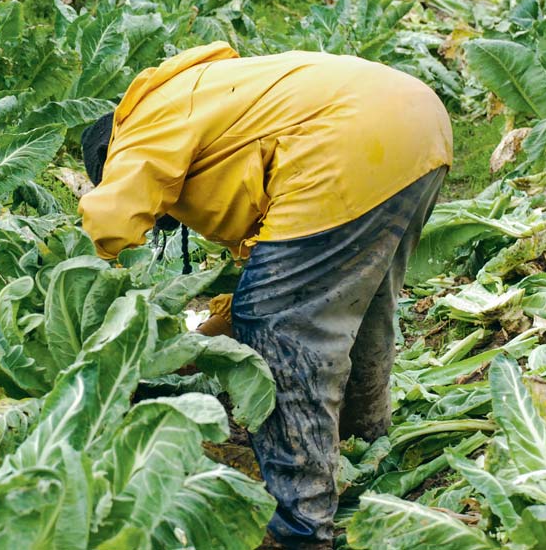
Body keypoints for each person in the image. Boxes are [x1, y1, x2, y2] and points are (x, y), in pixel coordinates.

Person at [78, 41, 452, 549]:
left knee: (280, 332)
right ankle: (364, 434)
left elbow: (110, 221)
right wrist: (196, 348)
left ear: (110, 155)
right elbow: (272, 273)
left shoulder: (141, 122)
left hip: (348, 141)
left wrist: (81, 305)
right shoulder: (214, 107)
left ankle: (301, 526)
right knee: (361, 302)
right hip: (416, 126)